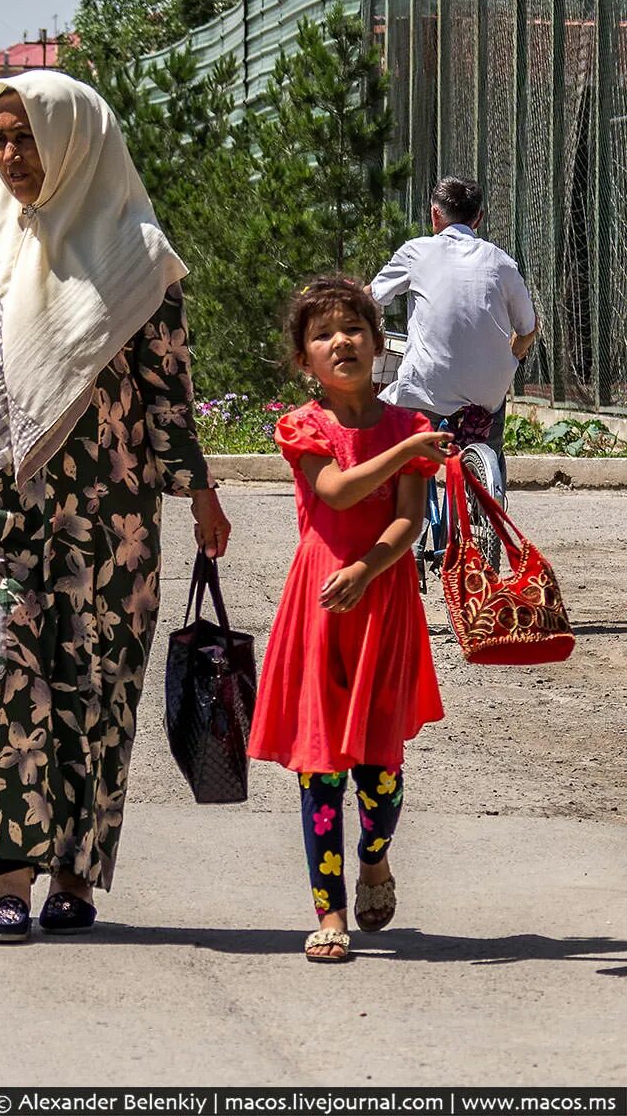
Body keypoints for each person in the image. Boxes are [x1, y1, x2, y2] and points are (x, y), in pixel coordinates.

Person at [0, 70, 231, 943]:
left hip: (109, 521)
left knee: (95, 691)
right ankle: (7, 877)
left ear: (75, 139)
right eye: (0, 139)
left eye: (29, 137)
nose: (12, 156)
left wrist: (199, 495)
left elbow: (168, 395)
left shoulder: (138, 255)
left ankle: (75, 877)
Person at [248, 276, 451, 964]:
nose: (343, 341)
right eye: (324, 333)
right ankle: (329, 913)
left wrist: (368, 570)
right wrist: (405, 453)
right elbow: (334, 492)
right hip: (320, 607)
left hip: (381, 602)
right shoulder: (305, 428)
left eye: (355, 328)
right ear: (305, 359)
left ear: (378, 341)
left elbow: (408, 519)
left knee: (381, 772)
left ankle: (375, 860)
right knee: (321, 770)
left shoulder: (409, 425)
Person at [369, 176, 538, 478]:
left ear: (435, 214)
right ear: (479, 218)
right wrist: (511, 358)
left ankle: (412, 502)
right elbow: (528, 328)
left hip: (428, 386)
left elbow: (374, 295)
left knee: (401, 439)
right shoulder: (502, 262)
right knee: (492, 432)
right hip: (488, 388)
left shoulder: (416, 252)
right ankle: (487, 491)